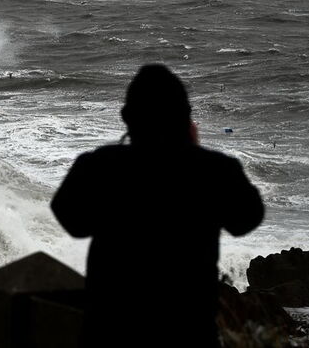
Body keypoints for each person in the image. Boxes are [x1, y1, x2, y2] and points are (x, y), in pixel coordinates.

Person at [51, 64, 263, 347]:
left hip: (111, 329)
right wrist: (194, 151)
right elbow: (246, 219)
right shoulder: (215, 170)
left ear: (127, 118)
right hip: (187, 330)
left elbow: (73, 222)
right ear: (187, 118)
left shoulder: (99, 165)